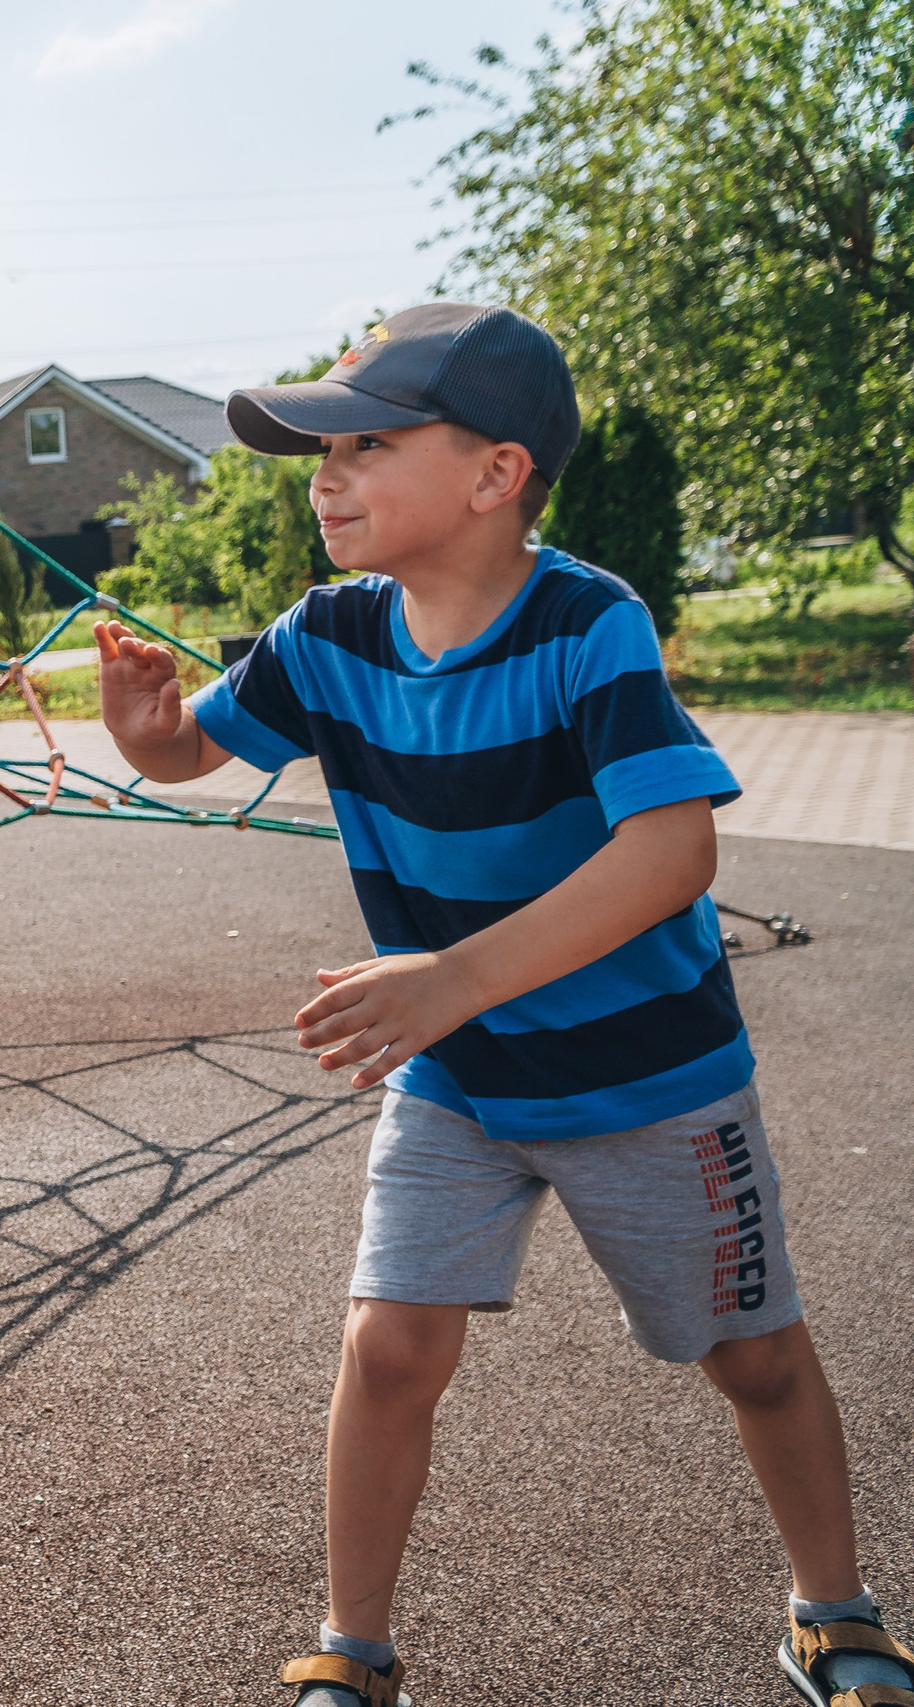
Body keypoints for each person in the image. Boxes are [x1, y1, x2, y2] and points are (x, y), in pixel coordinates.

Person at [93, 303, 909, 1707]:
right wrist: (146, 727)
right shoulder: (328, 632)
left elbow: (674, 850)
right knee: (392, 1340)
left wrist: (453, 975)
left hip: (645, 1074)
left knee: (754, 1354)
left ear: (496, 474)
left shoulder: (588, 624)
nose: (324, 473)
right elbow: (191, 752)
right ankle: (354, 1645)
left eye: (365, 443)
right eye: (321, 446)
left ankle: (833, 1609)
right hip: (459, 1075)